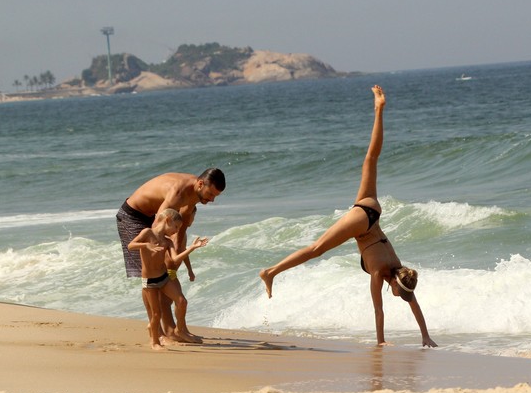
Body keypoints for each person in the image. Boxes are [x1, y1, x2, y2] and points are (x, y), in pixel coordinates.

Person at [260, 86, 437, 348]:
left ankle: (379, 109)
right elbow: (378, 311)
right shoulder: (379, 272)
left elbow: (414, 304)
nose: (399, 297)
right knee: (316, 249)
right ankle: (270, 272)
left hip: (372, 211)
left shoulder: (401, 270)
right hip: (363, 224)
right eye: (401, 295)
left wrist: (425, 336)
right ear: (398, 285)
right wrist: (381, 342)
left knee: (371, 159)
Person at [116, 168, 225, 340]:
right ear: (200, 183)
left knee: (164, 272)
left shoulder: (194, 194)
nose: (211, 199)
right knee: (152, 275)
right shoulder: (178, 193)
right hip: (133, 217)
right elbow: (158, 226)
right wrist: (166, 259)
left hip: (151, 217)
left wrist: (177, 256)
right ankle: (158, 331)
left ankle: (171, 329)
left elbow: (179, 230)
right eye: (210, 194)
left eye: (215, 197)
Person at [128, 208, 208, 350]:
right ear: (167, 220)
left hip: (164, 278)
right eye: (176, 226)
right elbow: (131, 245)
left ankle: (180, 330)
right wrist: (146, 245)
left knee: (182, 301)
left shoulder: (167, 241)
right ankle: (154, 342)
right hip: (150, 281)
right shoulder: (147, 233)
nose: (177, 231)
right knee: (156, 314)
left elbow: (175, 259)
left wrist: (192, 248)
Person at [159, 206, 203, 344]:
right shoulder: (176, 234)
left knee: (175, 302)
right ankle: (174, 331)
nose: (192, 220)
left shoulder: (181, 233)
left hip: (172, 273)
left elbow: (182, 251)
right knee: (172, 302)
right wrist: (192, 248)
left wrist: (190, 270)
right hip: (167, 273)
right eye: (192, 216)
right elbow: (175, 257)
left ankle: (180, 329)